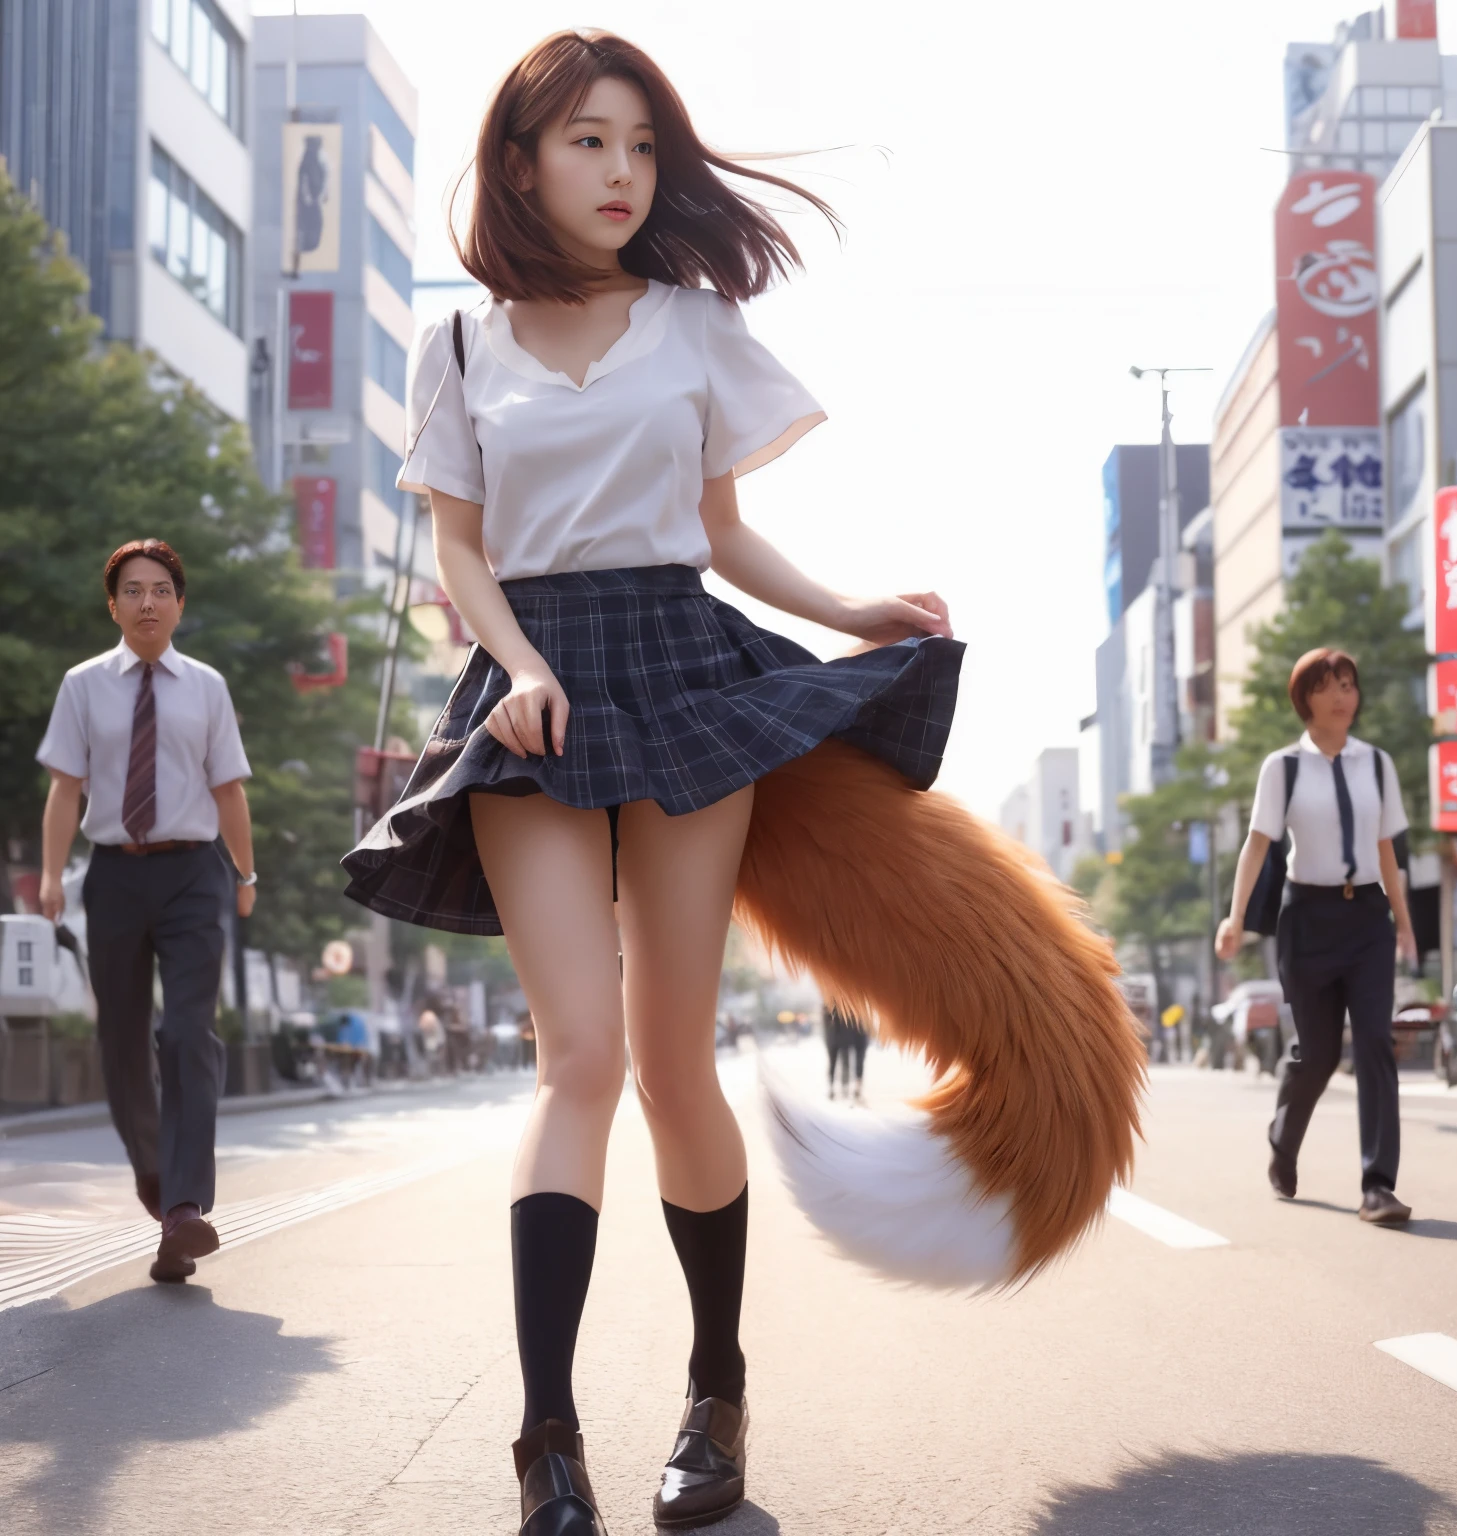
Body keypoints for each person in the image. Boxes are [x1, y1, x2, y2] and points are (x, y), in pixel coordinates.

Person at [341, 31, 1143, 1536]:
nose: (623, 174)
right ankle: (548, 1442)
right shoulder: (457, 349)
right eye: (589, 143)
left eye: (642, 148)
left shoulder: (693, 329)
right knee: (574, 1059)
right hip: (533, 699)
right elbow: (459, 546)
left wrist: (849, 612)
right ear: (518, 160)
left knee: (665, 1062)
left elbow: (719, 537)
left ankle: (716, 1392)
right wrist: (512, 666)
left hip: (684, 670)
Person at [36, 539, 257, 1283]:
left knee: (188, 1030)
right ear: (114, 605)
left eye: (161, 589)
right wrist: (50, 876)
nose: (148, 603)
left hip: (196, 873)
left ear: (180, 602)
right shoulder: (83, 686)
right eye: (133, 590)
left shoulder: (207, 688)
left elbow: (229, 788)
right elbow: (65, 786)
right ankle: (163, 1199)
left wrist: (247, 872)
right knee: (123, 1041)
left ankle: (187, 1204)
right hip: (114, 877)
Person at [1217, 648, 1416, 1225]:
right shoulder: (1284, 767)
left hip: (1367, 921)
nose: (1341, 695)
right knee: (1320, 1053)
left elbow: (1388, 852)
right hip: (1307, 919)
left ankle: (1378, 1185)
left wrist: (1403, 924)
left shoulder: (1377, 764)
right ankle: (1284, 1138)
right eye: (1328, 685)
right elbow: (1258, 843)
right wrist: (1235, 918)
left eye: (1349, 684)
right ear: (1305, 698)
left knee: (1376, 1040)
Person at [823, 1002, 869, 1101]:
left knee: (849, 1063)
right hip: (838, 1039)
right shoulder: (832, 1006)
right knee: (836, 1063)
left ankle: (849, 1086)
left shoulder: (847, 1006)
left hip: (847, 1039)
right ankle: (836, 1086)